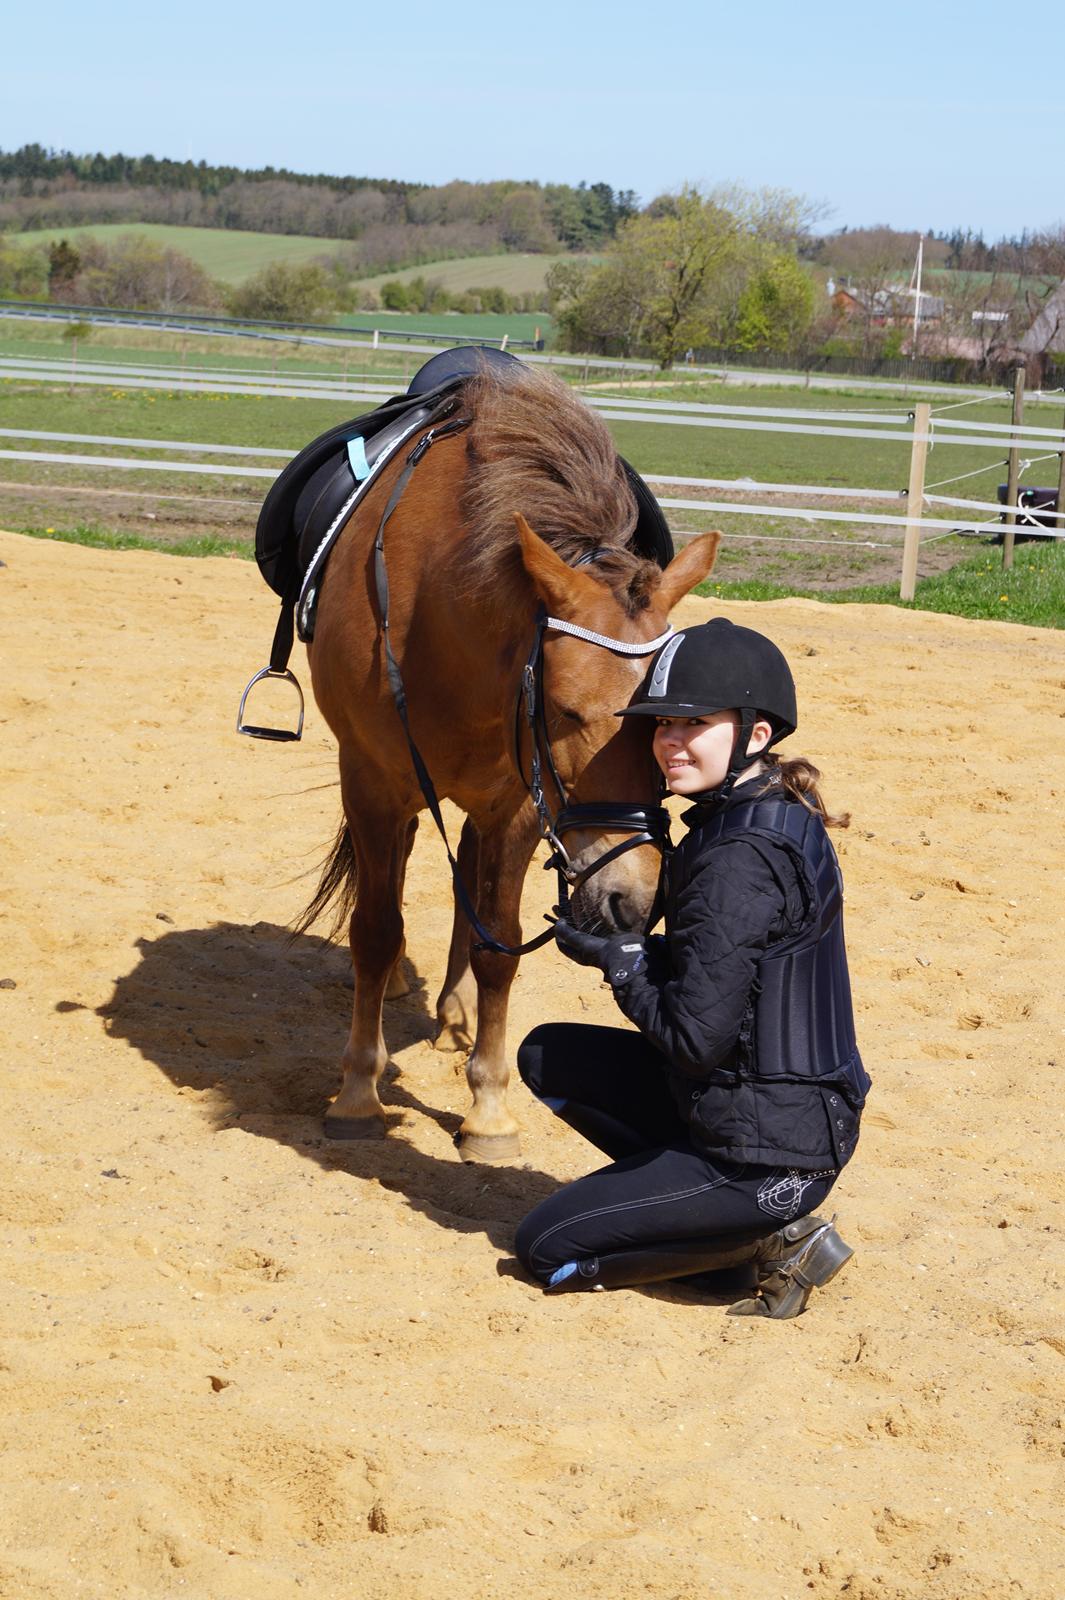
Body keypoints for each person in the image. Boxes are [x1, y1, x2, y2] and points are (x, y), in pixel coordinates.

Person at [514, 618, 869, 1319]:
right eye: (660, 726)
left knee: (544, 1246)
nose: (669, 743)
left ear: (755, 733)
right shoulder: (762, 811)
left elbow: (691, 1040)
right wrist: (633, 955)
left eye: (693, 723)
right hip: (774, 1107)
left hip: (769, 1158)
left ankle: (767, 1241)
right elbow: (730, 970)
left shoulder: (735, 858)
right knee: (546, 1054)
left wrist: (622, 964)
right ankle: (697, 1209)